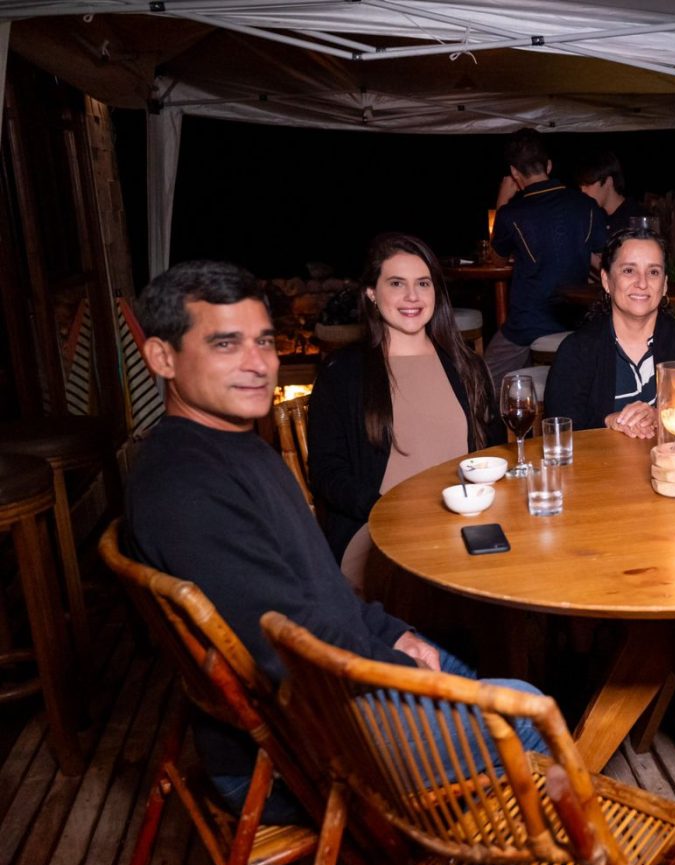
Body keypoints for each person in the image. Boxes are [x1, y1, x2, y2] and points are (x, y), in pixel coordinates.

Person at [126, 259, 545, 821]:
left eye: (265, 341)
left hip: (337, 687)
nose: (259, 365)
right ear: (162, 357)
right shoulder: (184, 485)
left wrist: (392, 633)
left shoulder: (236, 447)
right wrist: (392, 662)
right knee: (530, 715)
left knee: (507, 686)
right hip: (298, 745)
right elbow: (288, 643)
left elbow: (315, 588)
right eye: (227, 345)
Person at [307, 233, 502, 588]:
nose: (412, 296)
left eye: (423, 284)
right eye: (397, 283)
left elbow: (495, 450)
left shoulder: (466, 366)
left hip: (465, 526)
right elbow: (327, 471)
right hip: (379, 530)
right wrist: (387, 511)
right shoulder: (344, 374)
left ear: (436, 292)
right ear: (371, 293)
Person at [544, 228, 675, 437]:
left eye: (653, 272)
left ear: (664, 285)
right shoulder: (577, 351)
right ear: (606, 280)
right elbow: (558, 431)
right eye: (629, 270)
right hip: (599, 468)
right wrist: (608, 421)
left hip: (673, 468)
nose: (642, 282)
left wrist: (664, 418)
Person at [486, 129, 608, 383]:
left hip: (527, 325)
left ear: (514, 173)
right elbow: (601, 258)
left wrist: (502, 199)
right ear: (549, 165)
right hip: (576, 322)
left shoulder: (512, 213)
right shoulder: (586, 206)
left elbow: (496, 260)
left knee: (481, 381)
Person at [577, 150, 647, 237]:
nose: (583, 191)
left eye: (588, 185)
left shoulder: (637, 220)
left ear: (608, 181)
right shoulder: (594, 218)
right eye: (581, 186)